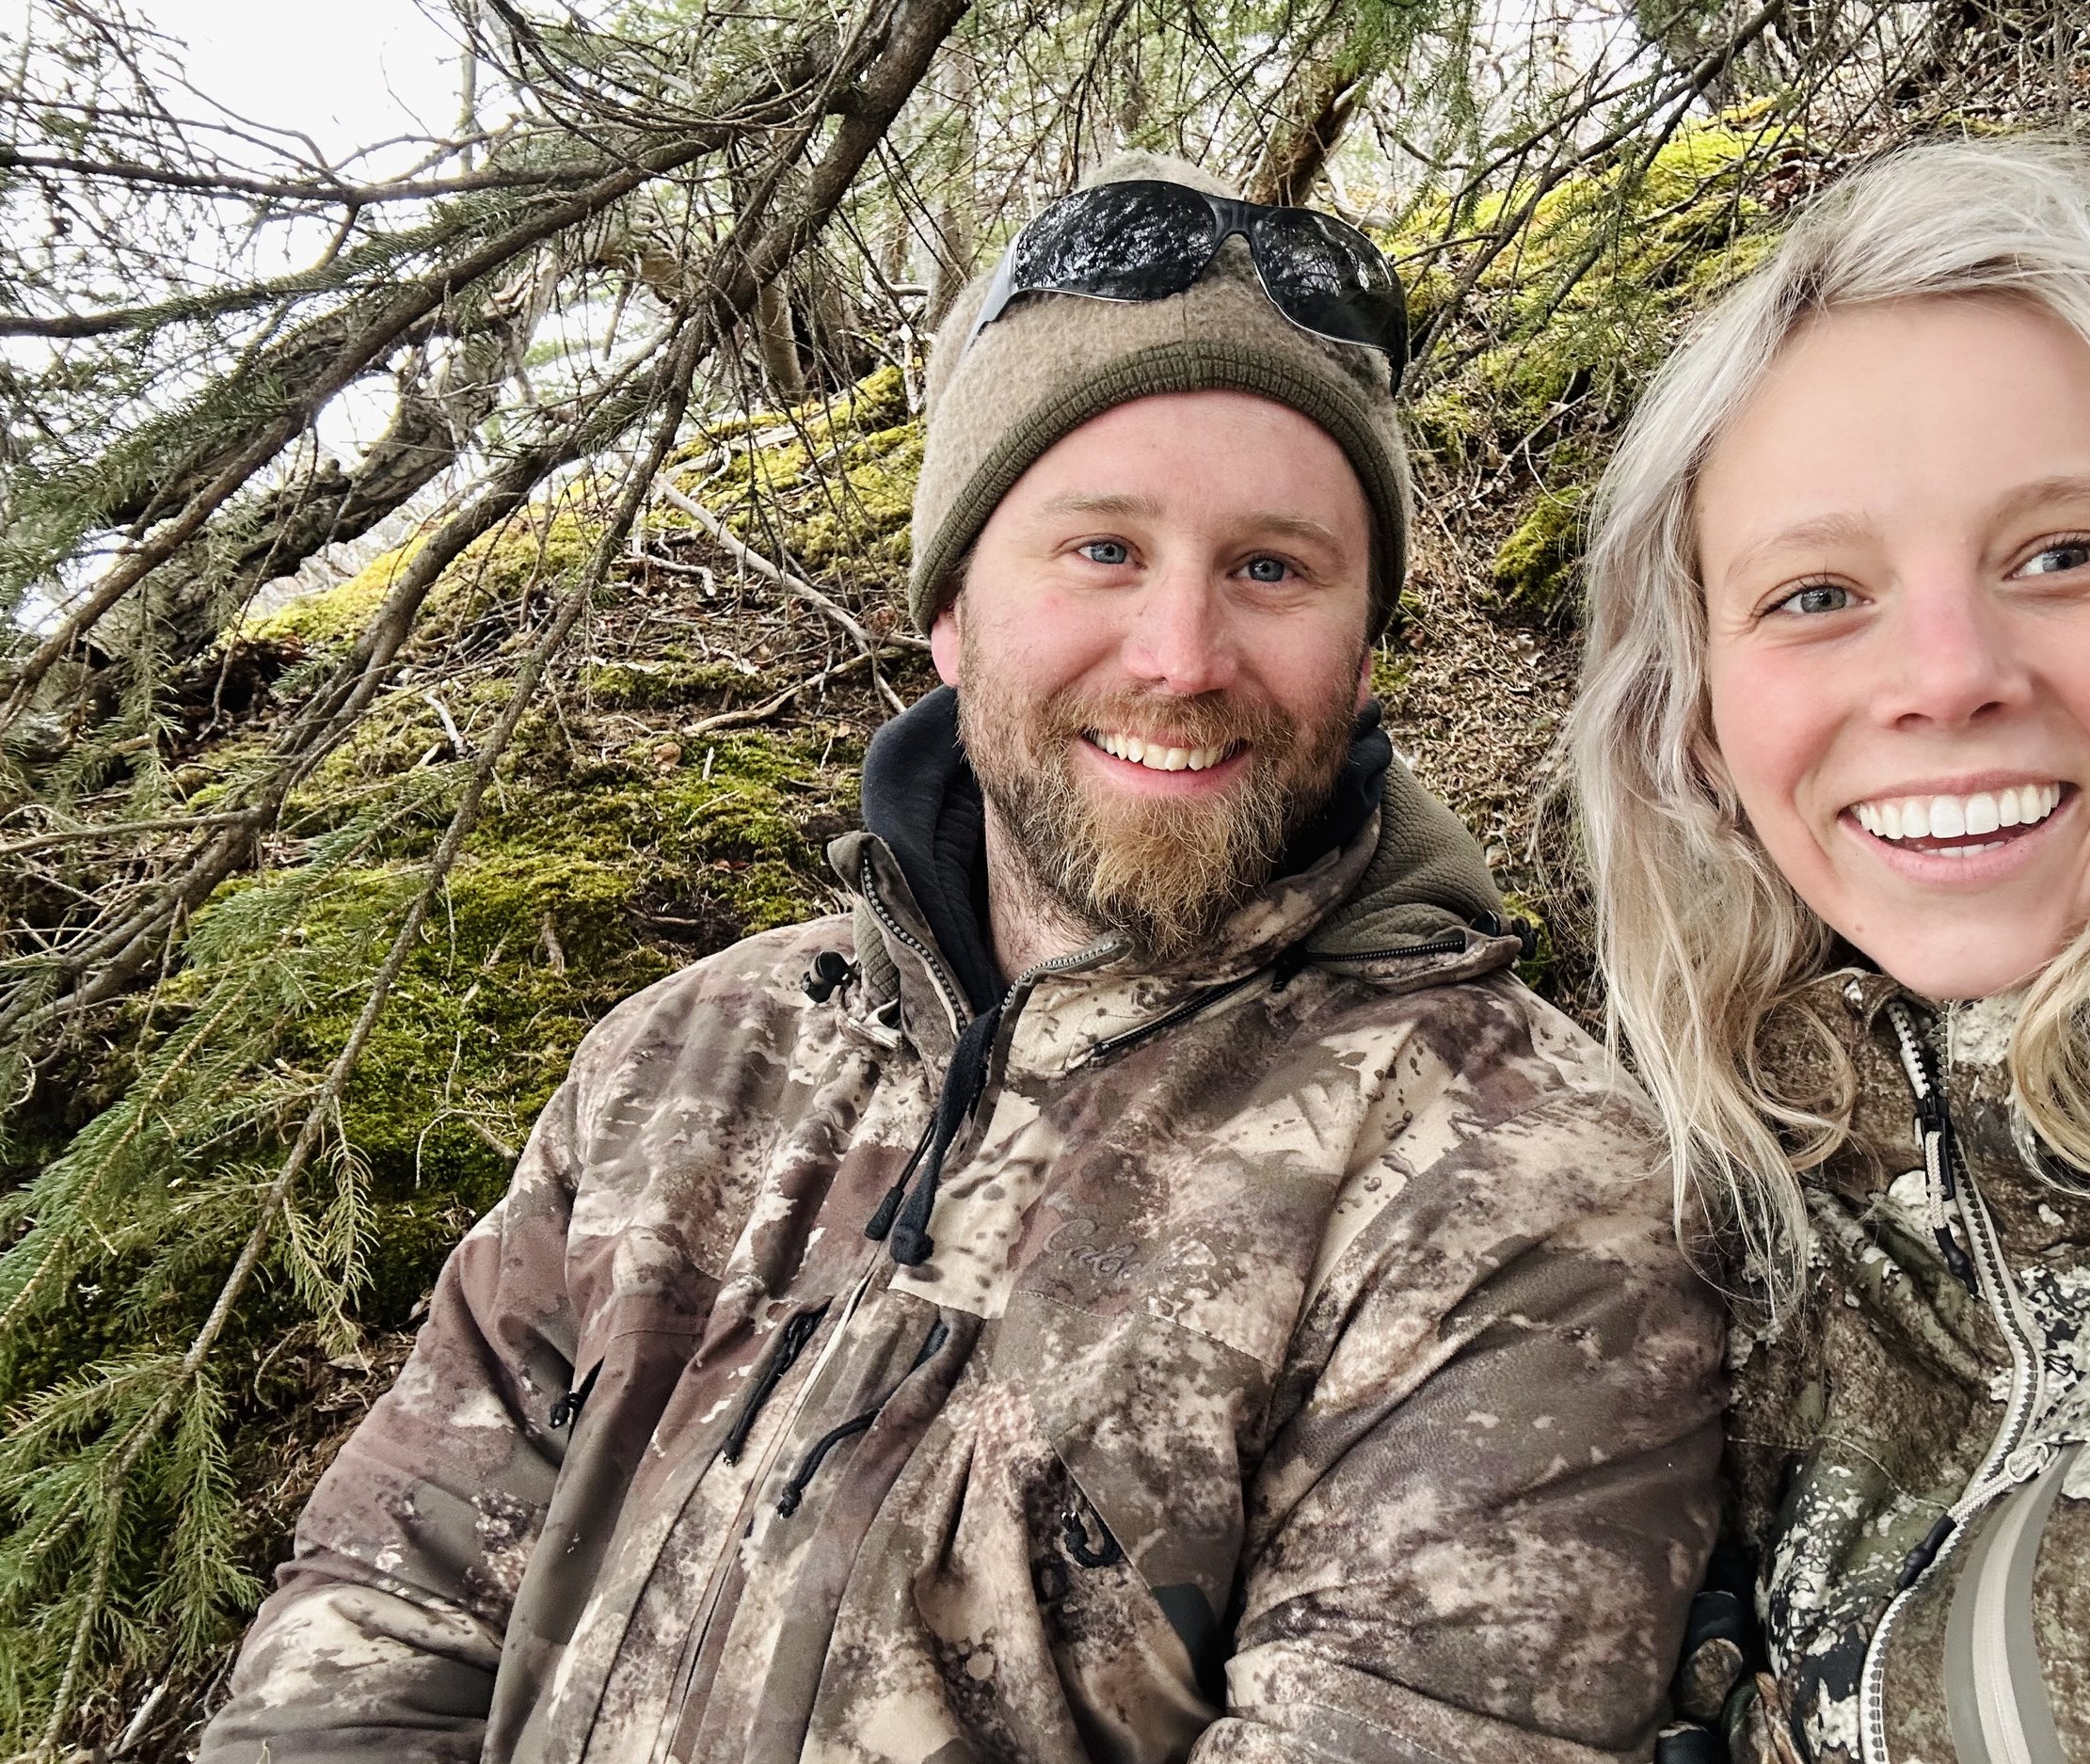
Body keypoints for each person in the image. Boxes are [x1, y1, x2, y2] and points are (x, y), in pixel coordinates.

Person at [198, 154, 1726, 1764]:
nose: (1182, 658)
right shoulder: (686, 1057)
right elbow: (388, 1608)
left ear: (1361, 645)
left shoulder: (1520, 1187)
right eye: (1102, 550)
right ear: (949, 610)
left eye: (1272, 568)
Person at [1566, 136, 2090, 1764]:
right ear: (1695, 714)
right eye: (1817, 593)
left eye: (2063, 555)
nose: (1947, 674)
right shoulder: (1721, 1219)